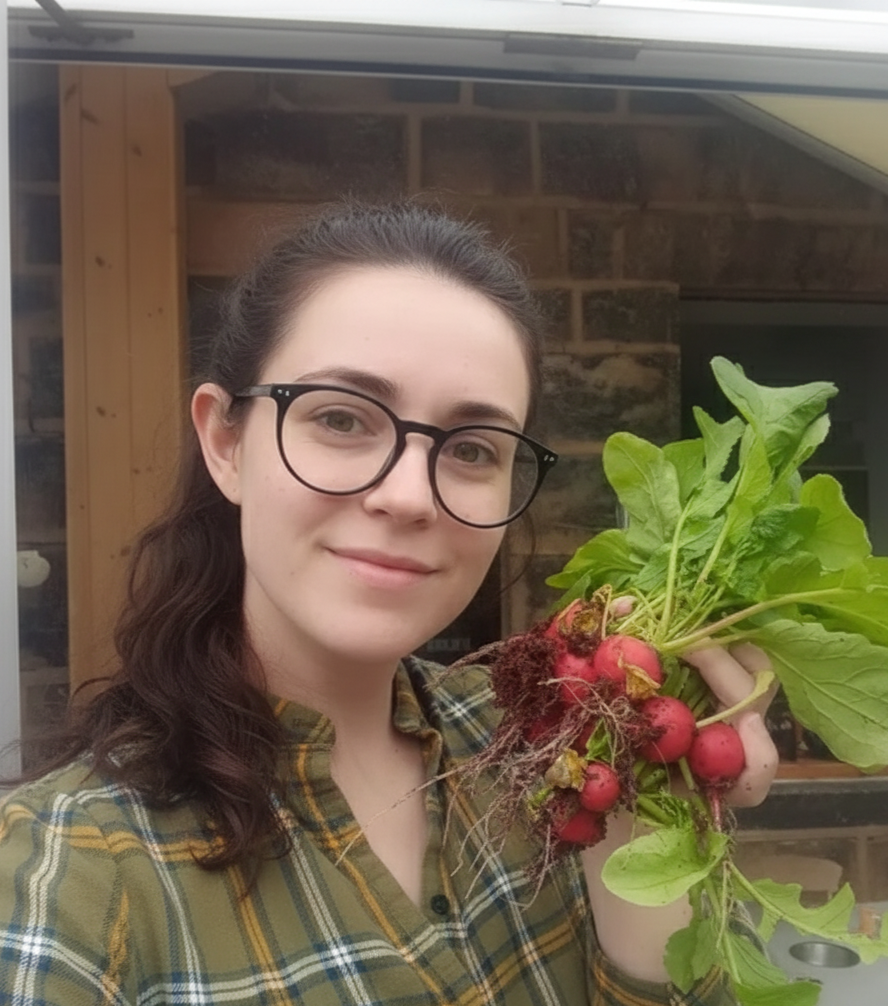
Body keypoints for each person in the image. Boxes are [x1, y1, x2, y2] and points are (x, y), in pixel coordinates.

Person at [0, 201, 778, 1005]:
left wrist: (646, 819)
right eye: (341, 418)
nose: (410, 496)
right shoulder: (65, 883)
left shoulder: (538, 746)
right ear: (226, 443)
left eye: (474, 448)